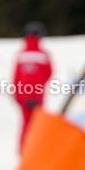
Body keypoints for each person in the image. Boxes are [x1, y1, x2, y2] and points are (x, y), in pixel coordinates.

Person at [12, 22, 53, 151]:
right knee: (37, 125)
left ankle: (23, 151)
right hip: (38, 96)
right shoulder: (43, 54)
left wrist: (18, 95)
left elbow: (16, 77)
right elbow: (49, 73)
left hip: (23, 96)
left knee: (25, 124)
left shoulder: (20, 54)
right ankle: (37, 152)